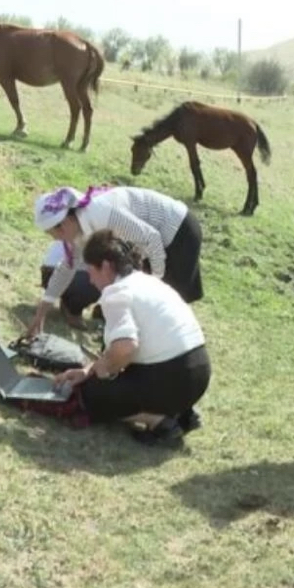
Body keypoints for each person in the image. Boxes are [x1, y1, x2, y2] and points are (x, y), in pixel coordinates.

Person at [52, 229, 212, 443]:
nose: (90, 280)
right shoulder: (148, 282)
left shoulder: (116, 293)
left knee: (89, 395)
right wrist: (87, 371)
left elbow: (125, 348)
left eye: (91, 271)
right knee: (100, 380)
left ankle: (159, 420)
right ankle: (181, 411)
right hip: (198, 373)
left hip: (172, 376)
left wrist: (103, 373)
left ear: (106, 267)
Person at [27, 184, 204, 337]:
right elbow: (67, 267)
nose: (57, 240)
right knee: (141, 299)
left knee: (169, 298)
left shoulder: (103, 214)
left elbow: (152, 239)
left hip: (178, 231)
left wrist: (153, 282)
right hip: (148, 243)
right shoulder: (79, 228)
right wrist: (42, 311)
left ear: (65, 223)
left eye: (56, 235)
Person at [40, 240, 103, 328]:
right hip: (58, 273)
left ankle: (70, 302)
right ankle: (72, 309)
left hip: (51, 271)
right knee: (106, 279)